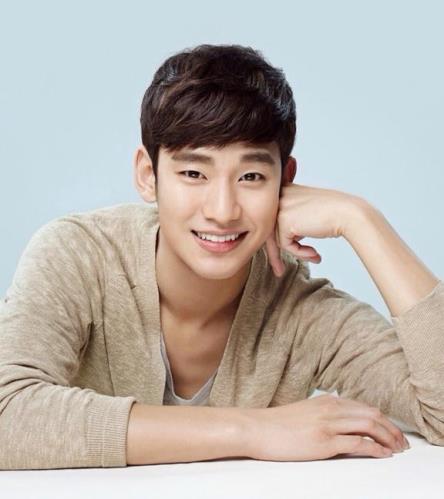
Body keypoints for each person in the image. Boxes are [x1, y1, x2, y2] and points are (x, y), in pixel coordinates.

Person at [0, 44, 442, 470]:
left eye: (251, 176)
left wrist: (361, 220)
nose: (222, 210)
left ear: (285, 181)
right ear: (148, 175)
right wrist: (253, 430)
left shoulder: (300, 312)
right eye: (194, 173)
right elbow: (7, 413)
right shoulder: (79, 256)